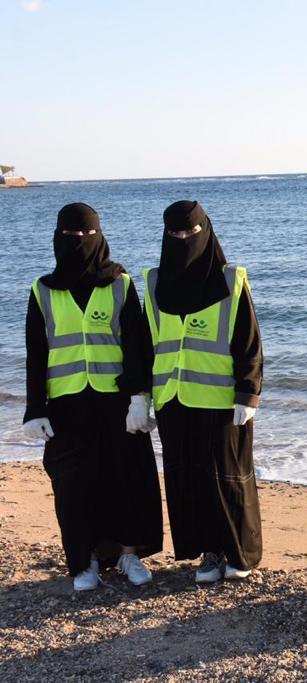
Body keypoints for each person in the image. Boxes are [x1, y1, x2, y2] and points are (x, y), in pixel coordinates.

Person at [23, 202, 163, 591]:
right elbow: (36, 352)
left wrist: (139, 398)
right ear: (57, 237)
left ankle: (129, 553)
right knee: (73, 486)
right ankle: (84, 561)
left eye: (87, 234)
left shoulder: (120, 284)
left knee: (125, 478)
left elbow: (136, 345)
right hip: (66, 405)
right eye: (71, 235)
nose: (80, 241)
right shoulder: (42, 290)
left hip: (116, 402)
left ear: (100, 236)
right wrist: (35, 409)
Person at [140, 200, 264, 584]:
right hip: (172, 399)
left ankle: (240, 553)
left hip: (222, 400)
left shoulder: (230, 281)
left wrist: (248, 393)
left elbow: (249, 342)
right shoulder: (154, 283)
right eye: (175, 232)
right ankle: (209, 553)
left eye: (191, 231)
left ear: (205, 231)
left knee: (229, 477)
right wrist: (140, 397)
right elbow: (145, 345)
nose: (183, 238)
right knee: (189, 479)